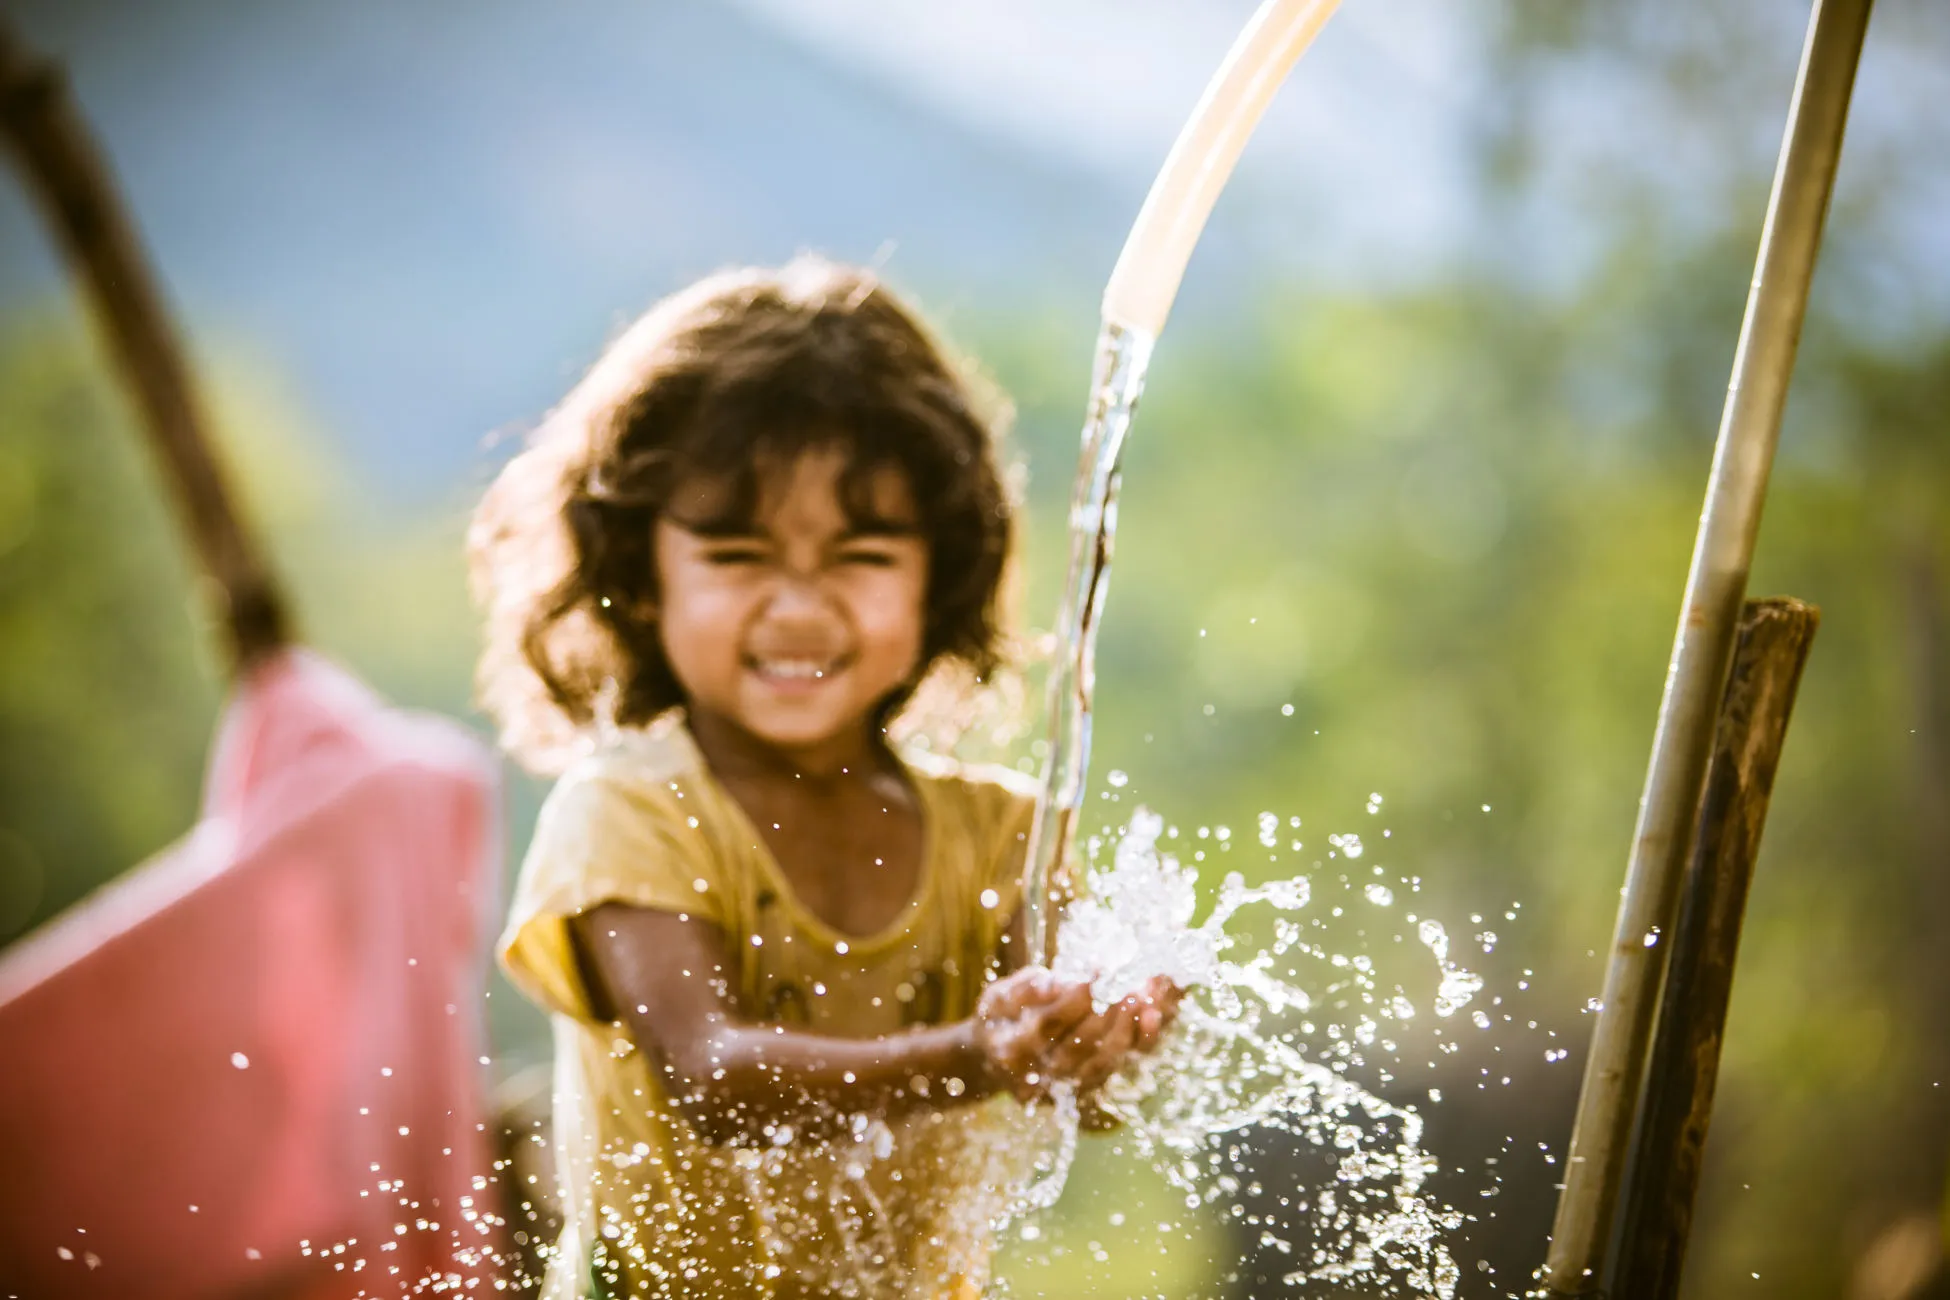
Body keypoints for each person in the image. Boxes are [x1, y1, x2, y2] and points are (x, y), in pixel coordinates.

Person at [470, 257, 1177, 1299]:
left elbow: (1084, 1085)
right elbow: (711, 1074)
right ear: (640, 575)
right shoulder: (630, 810)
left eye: (859, 555)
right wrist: (977, 1051)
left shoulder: (998, 834)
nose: (799, 608)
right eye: (740, 554)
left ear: (941, 574)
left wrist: (1104, 1026)